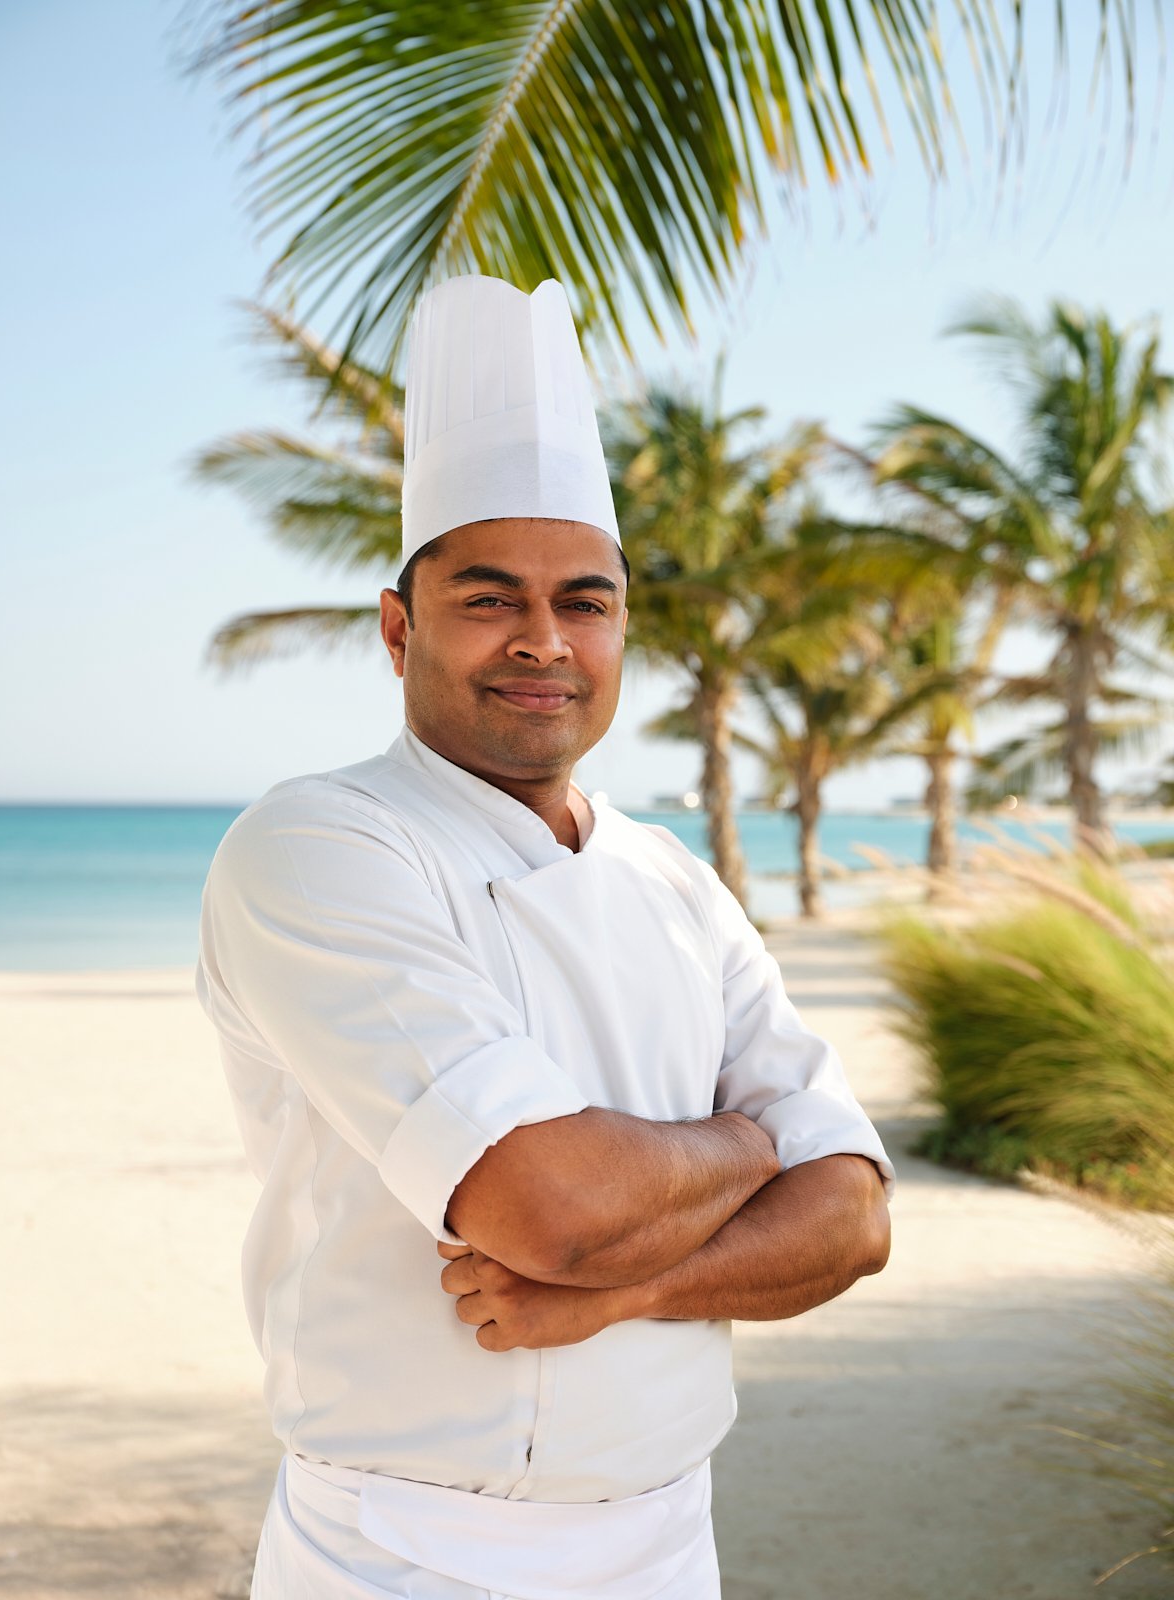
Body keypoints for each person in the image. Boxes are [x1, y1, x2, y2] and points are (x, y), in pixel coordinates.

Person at [196, 273, 894, 1600]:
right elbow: (549, 1208)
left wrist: (620, 1298)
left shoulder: (677, 885)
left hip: (670, 1545)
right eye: (486, 598)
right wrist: (751, 1148)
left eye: (584, 600)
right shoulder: (322, 847)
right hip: (398, 1555)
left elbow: (853, 1221)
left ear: (622, 627)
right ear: (398, 627)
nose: (543, 641)